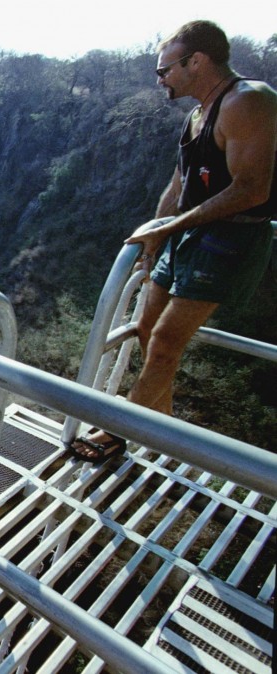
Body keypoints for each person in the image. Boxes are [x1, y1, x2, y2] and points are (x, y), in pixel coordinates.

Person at [72, 20, 276, 462]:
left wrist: (170, 228)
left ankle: (117, 433)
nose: (160, 79)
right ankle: (161, 430)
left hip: (230, 238)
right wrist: (157, 233)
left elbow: (252, 189)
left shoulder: (248, 101)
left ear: (196, 61)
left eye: (164, 70)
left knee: (165, 340)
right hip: (186, 232)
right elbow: (179, 183)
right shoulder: (197, 114)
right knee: (147, 329)